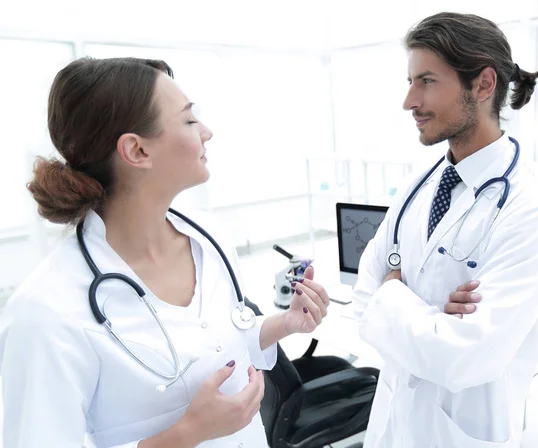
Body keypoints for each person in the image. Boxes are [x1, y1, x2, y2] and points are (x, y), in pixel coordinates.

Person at [0, 57, 330, 447]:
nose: (207, 132)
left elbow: (220, 341)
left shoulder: (210, 238)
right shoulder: (47, 312)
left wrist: (283, 325)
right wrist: (186, 434)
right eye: (190, 121)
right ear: (137, 151)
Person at [353, 12, 538, 448]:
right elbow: (361, 295)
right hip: (392, 423)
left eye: (426, 81)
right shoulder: (417, 186)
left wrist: (393, 295)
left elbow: (466, 358)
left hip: (461, 433)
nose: (409, 101)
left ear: (483, 85)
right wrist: (431, 318)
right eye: (410, 81)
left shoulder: (530, 208)